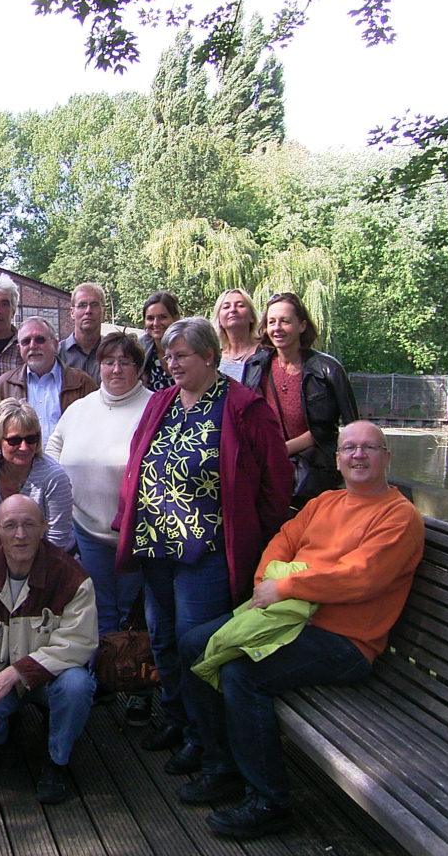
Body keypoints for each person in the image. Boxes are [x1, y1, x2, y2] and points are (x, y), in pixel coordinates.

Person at [177, 421, 424, 839]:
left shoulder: (399, 517)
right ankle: (222, 766)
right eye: (349, 449)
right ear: (338, 460)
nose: (358, 456)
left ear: (387, 457)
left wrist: (287, 585)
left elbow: (361, 578)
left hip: (345, 642)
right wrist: (264, 583)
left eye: (369, 448)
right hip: (285, 617)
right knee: (193, 644)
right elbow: (283, 539)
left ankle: (270, 800)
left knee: (242, 674)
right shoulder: (325, 502)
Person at [114, 317, 291, 772]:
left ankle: (209, 744)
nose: (171, 364)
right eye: (168, 356)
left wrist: (255, 536)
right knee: (163, 641)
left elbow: (277, 484)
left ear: (210, 356)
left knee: (197, 646)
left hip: (206, 553)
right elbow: (138, 457)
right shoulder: (163, 402)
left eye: (181, 356)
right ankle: (179, 721)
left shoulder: (244, 408)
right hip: (156, 546)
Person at [0, 494, 98, 805]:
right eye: (10, 525)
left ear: (44, 527)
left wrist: (18, 672)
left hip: (47, 679)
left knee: (77, 685)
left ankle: (58, 762)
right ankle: (4, 738)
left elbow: (79, 642)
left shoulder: (71, 576)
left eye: (30, 524)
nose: (20, 534)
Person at [46, 333, 150, 636]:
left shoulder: (155, 407)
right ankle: (106, 671)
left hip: (136, 534)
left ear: (139, 368)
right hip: (87, 530)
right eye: (108, 362)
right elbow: (53, 451)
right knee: (99, 608)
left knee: (129, 611)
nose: (116, 369)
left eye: (125, 362)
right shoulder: (80, 408)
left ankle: (129, 673)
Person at [242, 292, 359, 508]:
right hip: (265, 469)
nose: (277, 328)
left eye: (285, 321)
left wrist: (279, 450)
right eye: (271, 322)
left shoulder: (328, 370)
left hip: (312, 473)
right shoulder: (255, 366)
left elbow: (346, 428)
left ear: (302, 326)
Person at [0, 398, 74, 553]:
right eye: (14, 440)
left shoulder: (54, 477)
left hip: (46, 558)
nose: (24, 447)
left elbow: (57, 540)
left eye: (31, 439)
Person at [0, 317, 96, 441]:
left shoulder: (82, 383)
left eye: (40, 340)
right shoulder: (3, 386)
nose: (33, 346)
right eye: (26, 341)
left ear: (55, 344)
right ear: (19, 349)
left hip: (67, 459)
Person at [57, 282, 106, 383]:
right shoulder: (57, 355)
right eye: (82, 305)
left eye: (94, 305)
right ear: (72, 312)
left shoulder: (114, 352)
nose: (88, 311)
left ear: (103, 312)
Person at [212, 288, 259, 383]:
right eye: (226, 307)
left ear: (252, 317)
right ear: (219, 320)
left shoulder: (265, 353)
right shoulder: (214, 359)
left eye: (240, 305)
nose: (233, 310)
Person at [140, 291, 181, 392]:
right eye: (150, 318)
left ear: (176, 318)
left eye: (163, 317)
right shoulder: (140, 349)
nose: (156, 323)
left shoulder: (190, 348)